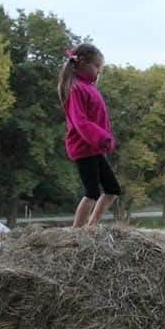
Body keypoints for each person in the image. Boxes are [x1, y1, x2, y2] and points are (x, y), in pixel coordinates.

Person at [57, 43, 121, 227]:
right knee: (91, 193)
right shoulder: (76, 88)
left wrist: (104, 138)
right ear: (83, 63)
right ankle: (76, 233)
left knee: (112, 189)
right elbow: (80, 122)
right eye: (97, 66)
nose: (99, 71)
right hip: (84, 147)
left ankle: (91, 228)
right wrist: (101, 137)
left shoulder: (89, 87)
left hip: (95, 148)